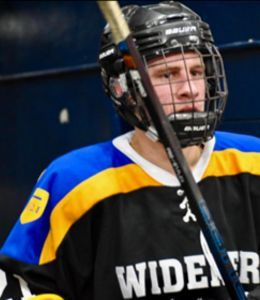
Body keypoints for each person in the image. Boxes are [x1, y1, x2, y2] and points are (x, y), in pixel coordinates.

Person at [0, 1, 260, 299]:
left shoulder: (254, 162)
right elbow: (19, 289)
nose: (190, 88)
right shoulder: (74, 182)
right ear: (123, 88)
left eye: (197, 70)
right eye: (168, 74)